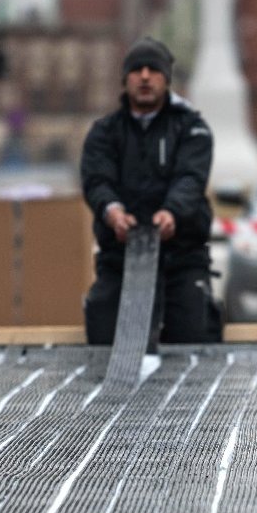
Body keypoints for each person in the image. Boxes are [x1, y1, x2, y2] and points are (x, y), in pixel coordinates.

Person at [80, 36, 221, 346]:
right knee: (103, 337)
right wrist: (113, 213)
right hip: (121, 259)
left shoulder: (191, 128)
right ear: (125, 79)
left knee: (193, 345)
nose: (144, 76)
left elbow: (190, 179)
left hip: (181, 259)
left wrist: (172, 213)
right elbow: (96, 181)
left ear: (166, 79)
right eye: (137, 70)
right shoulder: (104, 133)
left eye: (153, 70)